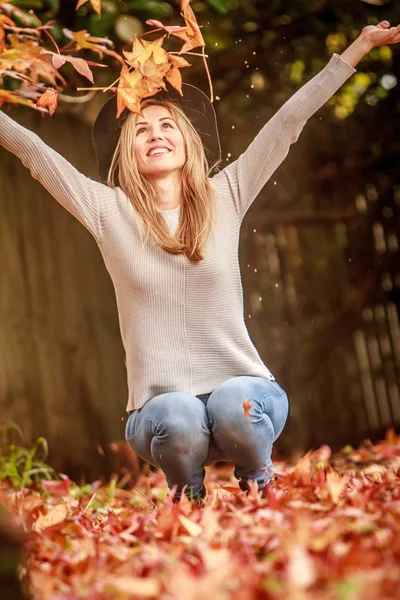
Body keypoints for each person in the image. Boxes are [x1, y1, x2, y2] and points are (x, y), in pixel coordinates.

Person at [1, 21, 399, 505]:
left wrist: (358, 47)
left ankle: (260, 485)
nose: (155, 134)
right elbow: (33, 153)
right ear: (127, 151)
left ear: (188, 141)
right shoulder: (107, 211)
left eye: (167, 124)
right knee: (177, 414)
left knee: (235, 404)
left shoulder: (225, 194)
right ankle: (187, 500)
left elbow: (288, 124)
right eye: (141, 129)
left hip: (249, 397)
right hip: (160, 414)